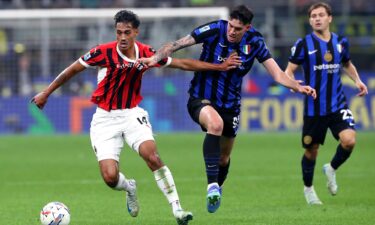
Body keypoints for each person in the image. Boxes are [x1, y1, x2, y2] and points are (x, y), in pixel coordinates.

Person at [31, 9, 241, 225]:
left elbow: (182, 64)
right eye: (119, 32)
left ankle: (178, 209)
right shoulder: (102, 52)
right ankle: (129, 187)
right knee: (110, 178)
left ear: (136, 32)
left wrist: (219, 66)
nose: (122, 37)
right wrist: (46, 92)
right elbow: (72, 70)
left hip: (132, 114)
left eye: (127, 32)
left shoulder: (148, 54)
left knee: (153, 157)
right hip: (104, 119)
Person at [140, 5, 317, 213]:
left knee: (224, 158)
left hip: (231, 104)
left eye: (238, 29)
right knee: (215, 124)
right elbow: (177, 44)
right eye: (231, 26)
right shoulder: (215, 29)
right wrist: (154, 58)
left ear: (247, 28)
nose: (232, 31)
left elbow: (278, 75)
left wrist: (298, 86)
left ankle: (218, 187)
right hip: (201, 97)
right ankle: (212, 186)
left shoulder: (255, 42)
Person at [285, 2, 368, 205]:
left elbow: (347, 63)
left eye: (321, 15)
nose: (317, 19)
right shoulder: (303, 44)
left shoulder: (341, 42)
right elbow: (288, 71)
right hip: (314, 109)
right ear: (310, 20)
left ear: (329, 18)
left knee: (349, 140)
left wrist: (357, 80)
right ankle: (309, 189)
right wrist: (294, 84)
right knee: (311, 151)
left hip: (338, 104)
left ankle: (331, 168)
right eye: (313, 16)